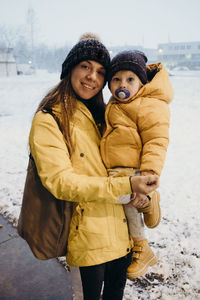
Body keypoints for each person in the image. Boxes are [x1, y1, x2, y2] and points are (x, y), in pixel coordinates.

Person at [28, 34, 159, 300]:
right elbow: (60, 182)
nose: (92, 77)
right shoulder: (49, 119)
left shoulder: (106, 116)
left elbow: (128, 163)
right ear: (70, 68)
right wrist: (125, 185)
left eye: (100, 71)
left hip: (122, 235)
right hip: (87, 237)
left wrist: (144, 195)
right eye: (85, 66)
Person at [100, 50, 173, 279]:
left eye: (130, 79)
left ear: (141, 83)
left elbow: (156, 140)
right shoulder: (115, 104)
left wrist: (149, 176)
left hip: (135, 171)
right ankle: (142, 245)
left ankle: (149, 201)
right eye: (116, 79)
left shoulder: (148, 104)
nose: (123, 84)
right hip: (119, 170)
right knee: (127, 207)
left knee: (114, 195)